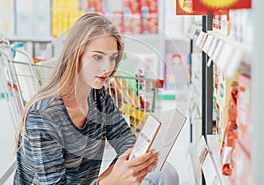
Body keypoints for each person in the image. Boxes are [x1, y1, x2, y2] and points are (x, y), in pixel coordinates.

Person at [13, 13, 179, 184]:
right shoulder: (43, 117)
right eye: (97, 57)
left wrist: (118, 172)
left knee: (166, 173)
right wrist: (109, 181)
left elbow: (125, 140)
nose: (107, 68)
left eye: (113, 58)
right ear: (75, 55)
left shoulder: (98, 97)